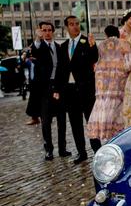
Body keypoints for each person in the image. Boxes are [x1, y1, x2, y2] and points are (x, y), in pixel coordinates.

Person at [55, 16, 99, 164]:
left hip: (86, 90)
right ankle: (81, 152)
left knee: (91, 122)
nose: (75, 27)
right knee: (75, 123)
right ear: (66, 27)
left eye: (77, 24)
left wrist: (93, 47)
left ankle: (97, 151)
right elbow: (60, 70)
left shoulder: (87, 41)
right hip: (70, 91)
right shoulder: (63, 46)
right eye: (71, 24)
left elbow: (95, 59)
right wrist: (57, 89)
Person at [87, 26, 131, 152]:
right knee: (118, 114)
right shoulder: (124, 44)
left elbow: (96, 65)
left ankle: (103, 143)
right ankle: (119, 143)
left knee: (102, 113)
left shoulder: (101, 45)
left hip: (103, 88)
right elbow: (130, 63)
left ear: (105, 34)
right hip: (119, 85)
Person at [31, 21, 71, 161]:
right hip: (44, 89)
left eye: (49, 30)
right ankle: (49, 150)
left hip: (58, 86)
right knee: (46, 121)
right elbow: (34, 49)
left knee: (61, 120)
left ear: (53, 31)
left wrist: (60, 88)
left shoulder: (59, 47)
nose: (47, 32)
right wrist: (37, 38)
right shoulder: (39, 47)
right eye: (44, 30)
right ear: (40, 31)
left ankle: (62, 148)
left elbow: (64, 69)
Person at [24, 50, 41, 125]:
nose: (31, 58)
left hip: (40, 84)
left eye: (32, 56)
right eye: (30, 56)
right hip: (33, 84)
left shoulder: (39, 62)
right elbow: (23, 64)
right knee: (33, 102)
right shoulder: (29, 63)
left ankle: (43, 117)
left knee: (40, 101)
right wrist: (24, 58)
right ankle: (35, 118)